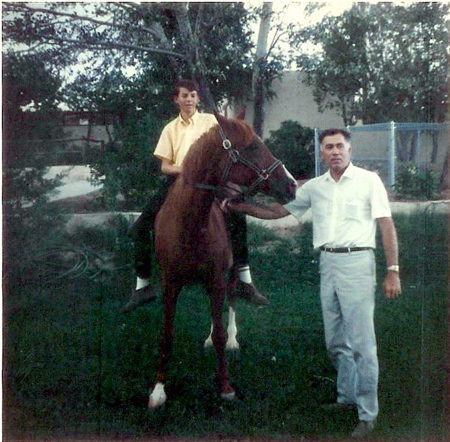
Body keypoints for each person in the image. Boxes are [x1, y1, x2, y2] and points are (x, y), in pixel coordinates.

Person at [221, 128, 402, 439]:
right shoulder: (315, 188)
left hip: (358, 263)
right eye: (328, 147)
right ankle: (346, 399)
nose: (334, 151)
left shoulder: (368, 181)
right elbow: (279, 211)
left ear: (349, 149)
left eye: (340, 146)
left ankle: (368, 414)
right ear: (322, 153)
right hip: (328, 263)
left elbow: (386, 225)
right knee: (336, 341)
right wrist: (240, 206)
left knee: (362, 343)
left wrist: (393, 270)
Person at [123, 79, 269, 312]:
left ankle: (245, 281)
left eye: (193, 95)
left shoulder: (212, 122)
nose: (189, 99)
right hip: (178, 182)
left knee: (238, 219)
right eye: (184, 95)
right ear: (176, 99)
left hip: (211, 184)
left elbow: (227, 152)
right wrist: (187, 169)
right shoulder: (170, 129)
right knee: (140, 227)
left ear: (198, 98)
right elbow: (165, 166)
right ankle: (143, 287)